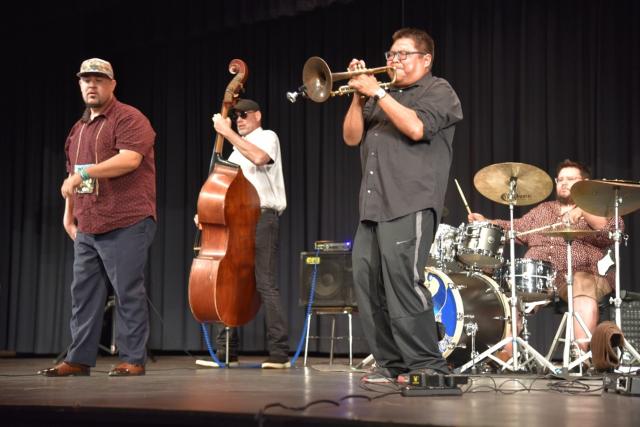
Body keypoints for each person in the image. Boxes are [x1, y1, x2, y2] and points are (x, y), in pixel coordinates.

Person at [342, 28, 463, 381]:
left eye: (402, 54)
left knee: (404, 283)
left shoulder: (438, 90)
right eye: (391, 54)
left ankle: (427, 365)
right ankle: (391, 364)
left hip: (410, 201)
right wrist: (355, 94)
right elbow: (351, 137)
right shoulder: (382, 96)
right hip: (373, 205)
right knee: (368, 284)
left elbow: (415, 128)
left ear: (426, 59)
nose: (393, 61)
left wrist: (376, 91)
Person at [38, 58, 157, 377]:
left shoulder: (130, 118)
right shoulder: (77, 130)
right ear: (79, 85)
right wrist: (69, 216)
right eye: (86, 80)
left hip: (127, 219)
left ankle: (133, 358)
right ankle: (78, 358)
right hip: (88, 223)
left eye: (99, 80)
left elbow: (129, 160)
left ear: (112, 84)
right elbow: (72, 177)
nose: (92, 85)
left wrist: (86, 173)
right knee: (84, 294)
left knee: (127, 290)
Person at [468, 159, 623, 353]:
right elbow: (515, 228)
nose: (564, 183)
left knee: (582, 288)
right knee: (508, 297)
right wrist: (487, 221)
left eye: (571, 179)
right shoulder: (543, 210)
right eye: (561, 179)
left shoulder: (598, 207)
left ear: (585, 182)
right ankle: (507, 356)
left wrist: (583, 208)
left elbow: (611, 230)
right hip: (540, 276)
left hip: (582, 274)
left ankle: (580, 356)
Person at [208, 98, 290, 369]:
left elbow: (258, 157)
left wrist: (226, 131)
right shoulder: (232, 154)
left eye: (244, 114)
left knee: (264, 281)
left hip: (263, 217)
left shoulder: (267, 137)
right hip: (236, 220)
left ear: (258, 115)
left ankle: (279, 351)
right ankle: (227, 350)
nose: (239, 119)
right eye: (236, 116)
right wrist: (207, 211)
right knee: (228, 279)